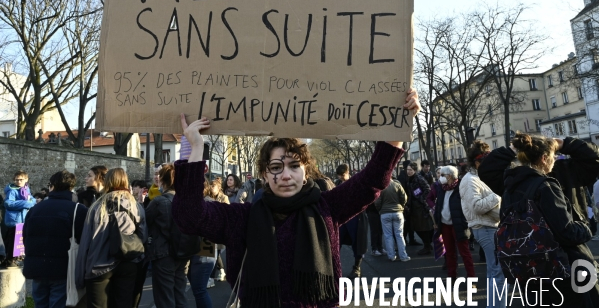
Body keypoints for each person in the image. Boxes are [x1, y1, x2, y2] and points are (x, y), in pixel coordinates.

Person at [172, 90, 420, 307]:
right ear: (265, 174)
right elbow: (190, 216)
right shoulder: (242, 218)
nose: (286, 175)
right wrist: (194, 150)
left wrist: (399, 122)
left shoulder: (328, 208)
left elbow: (373, 179)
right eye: (277, 167)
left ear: (305, 172)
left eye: (293, 166)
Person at [500, 133, 599, 306]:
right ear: (545, 158)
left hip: (528, 267)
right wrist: (586, 226)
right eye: (553, 156)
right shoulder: (546, 185)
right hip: (562, 266)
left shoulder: (510, 186)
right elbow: (566, 231)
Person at [76, 168, 147, 308]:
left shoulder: (97, 206)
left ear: (107, 182)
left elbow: (85, 242)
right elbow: (142, 237)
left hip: (98, 264)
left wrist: (80, 276)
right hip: (127, 261)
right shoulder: (136, 206)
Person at [23, 170, 88, 308]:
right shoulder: (78, 209)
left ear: (51, 186)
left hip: (37, 268)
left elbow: (25, 237)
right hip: (63, 268)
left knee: (40, 304)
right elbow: (84, 240)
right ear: (71, 187)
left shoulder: (35, 209)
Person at [459, 140, 505, 308]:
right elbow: (477, 207)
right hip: (485, 228)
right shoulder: (470, 180)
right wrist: (498, 194)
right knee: (498, 273)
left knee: (494, 272)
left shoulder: (478, 177)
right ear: (477, 162)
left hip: (489, 226)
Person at [145, 164, 188, 308]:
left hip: (163, 254)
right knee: (179, 295)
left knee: (165, 298)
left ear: (163, 181)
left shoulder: (158, 202)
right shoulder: (186, 202)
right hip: (183, 253)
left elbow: (145, 222)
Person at [433, 166, 475, 282]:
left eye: (442, 175)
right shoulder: (442, 188)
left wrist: (464, 223)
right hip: (445, 225)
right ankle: (452, 276)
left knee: (465, 253)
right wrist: (437, 221)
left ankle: (472, 279)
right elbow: (438, 206)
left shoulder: (462, 188)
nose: (440, 178)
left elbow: (467, 207)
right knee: (450, 253)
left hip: (459, 225)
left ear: (449, 176)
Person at [336, 164, 369, 278]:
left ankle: (356, 268)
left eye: (343, 175)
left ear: (347, 172)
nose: (341, 177)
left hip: (356, 217)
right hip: (342, 219)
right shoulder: (338, 184)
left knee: (357, 243)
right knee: (336, 242)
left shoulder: (356, 184)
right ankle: (334, 267)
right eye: (339, 175)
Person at [3, 170, 34, 268]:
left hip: (22, 219)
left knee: (19, 242)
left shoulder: (26, 189)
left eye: (21, 179)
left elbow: (31, 199)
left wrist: (31, 202)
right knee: (12, 241)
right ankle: (9, 260)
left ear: (26, 179)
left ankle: (16, 258)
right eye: (17, 180)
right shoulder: (12, 190)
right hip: (14, 220)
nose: (19, 182)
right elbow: (8, 203)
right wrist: (25, 204)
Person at [375, 177, 410, 262]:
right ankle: (403, 256)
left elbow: (377, 202)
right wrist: (401, 206)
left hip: (385, 213)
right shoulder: (397, 185)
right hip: (398, 212)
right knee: (399, 235)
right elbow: (404, 198)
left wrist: (380, 209)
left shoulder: (381, 188)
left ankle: (391, 256)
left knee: (388, 235)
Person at [405, 162, 434, 255]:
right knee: (417, 227)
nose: (408, 172)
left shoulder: (419, 178)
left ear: (415, 170)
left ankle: (427, 246)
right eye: (407, 170)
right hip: (414, 206)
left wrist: (420, 198)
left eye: (410, 170)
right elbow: (411, 193)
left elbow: (427, 189)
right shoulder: (410, 179)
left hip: (420, 206)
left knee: (422, 227)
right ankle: (427, 244)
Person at [398, 160, 420, 246]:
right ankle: (410, 239)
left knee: (406, 223)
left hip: (406, 202)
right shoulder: (408, 177)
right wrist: (415, 196)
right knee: (408, 222)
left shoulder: (401, 177)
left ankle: (406, 239)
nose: (409, 171)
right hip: (408, 202)